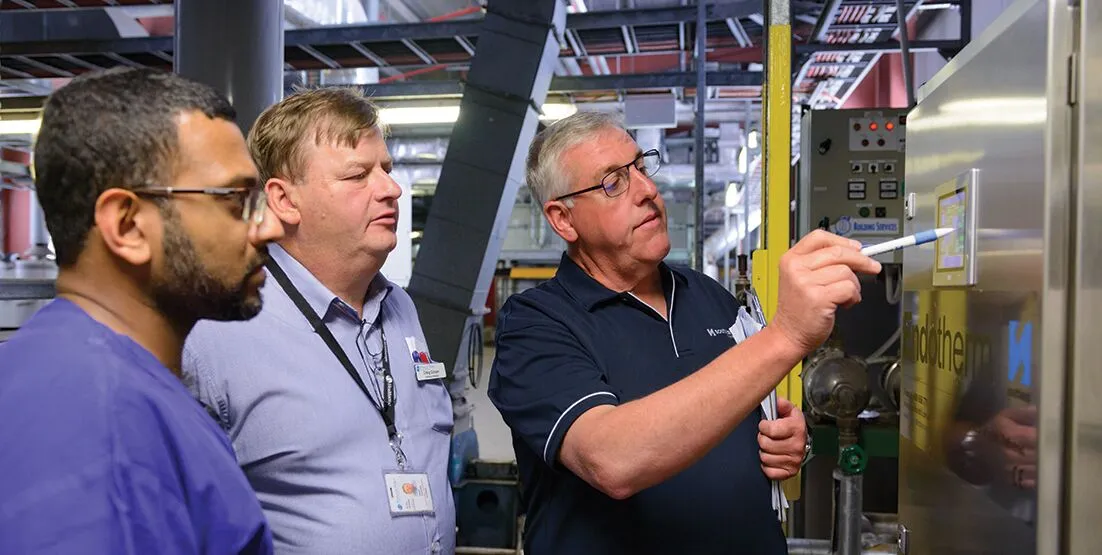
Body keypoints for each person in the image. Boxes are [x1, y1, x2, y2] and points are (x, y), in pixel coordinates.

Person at [488, 111, 883, 554]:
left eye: (640, 166)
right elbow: (612, 459)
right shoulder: (535, 325)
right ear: (563, 219)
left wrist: (789, 441)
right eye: (613, 182)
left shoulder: (709, 296)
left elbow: (740, 412)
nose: (648, 189)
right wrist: (786, 337)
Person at [0, 68, 283, 554]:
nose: (270, 227)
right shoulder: (99, 423)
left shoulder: (85, 376)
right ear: (128, 226)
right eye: (237, 201)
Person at [182, 87, 455, 554]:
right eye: (358, 175)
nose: (391, 189)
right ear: (285, 201)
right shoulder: (215, 334)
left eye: (387, 169)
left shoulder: (400, 309)